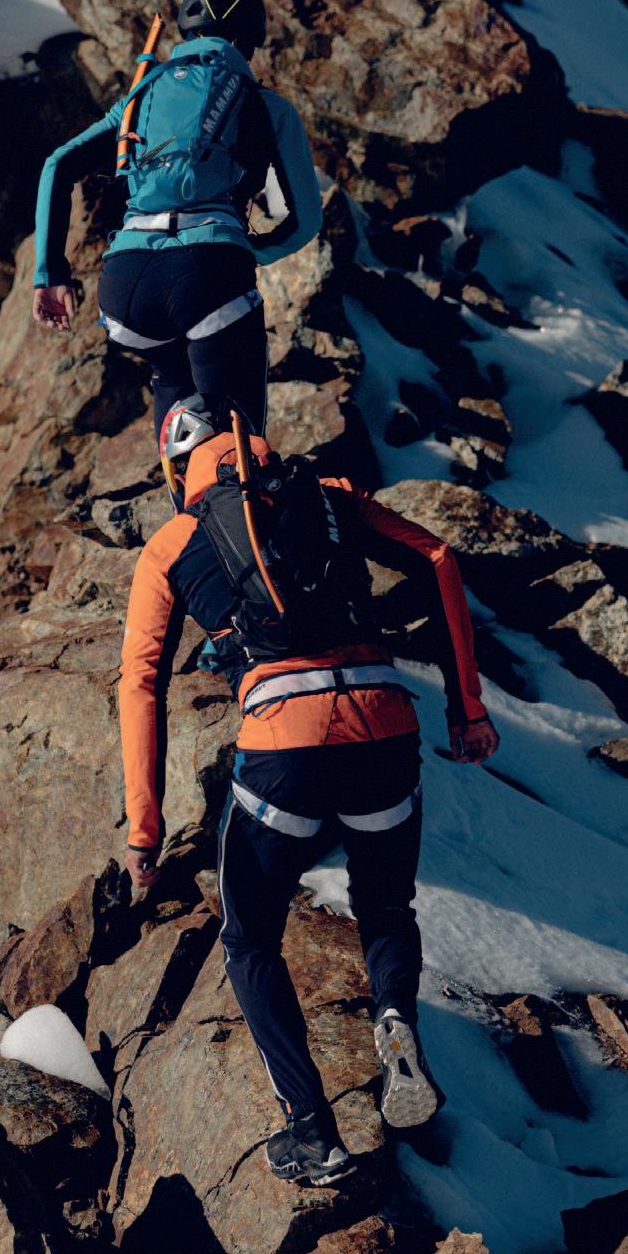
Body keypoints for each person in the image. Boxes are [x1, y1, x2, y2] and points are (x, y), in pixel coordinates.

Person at [117, 395, 500, 1187]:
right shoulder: (325, 496)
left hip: (283, 746)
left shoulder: (171, 543)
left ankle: (310, 1131)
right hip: (384, 727)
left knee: (249, 940)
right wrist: (466, 710)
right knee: (385, 908)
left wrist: (144, 831)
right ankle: (391, 1016)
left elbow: (140, 684)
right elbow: (437, 559)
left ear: (176, 469)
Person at [31, 0, 322, 439]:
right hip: (211, 273)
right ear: (251, 39)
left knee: (172, 382)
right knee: (237, 437)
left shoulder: (138, 100)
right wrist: (250, 251)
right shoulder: (267, 106)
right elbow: (306, 220)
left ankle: (183, 481)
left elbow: (57, 165)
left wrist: (50, 275)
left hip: (126, 286)